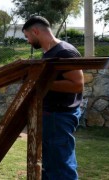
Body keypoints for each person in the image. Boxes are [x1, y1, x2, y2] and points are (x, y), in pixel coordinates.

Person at [22, 16, 84, 180]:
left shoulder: (64, 51)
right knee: (50, 166)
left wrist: (38, 82)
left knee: (61, 168)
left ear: (36, 31)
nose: (28, 41)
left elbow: (77, 84)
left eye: (27, 36)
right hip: (51, 116)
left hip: (59, 117)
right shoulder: (49, 53)